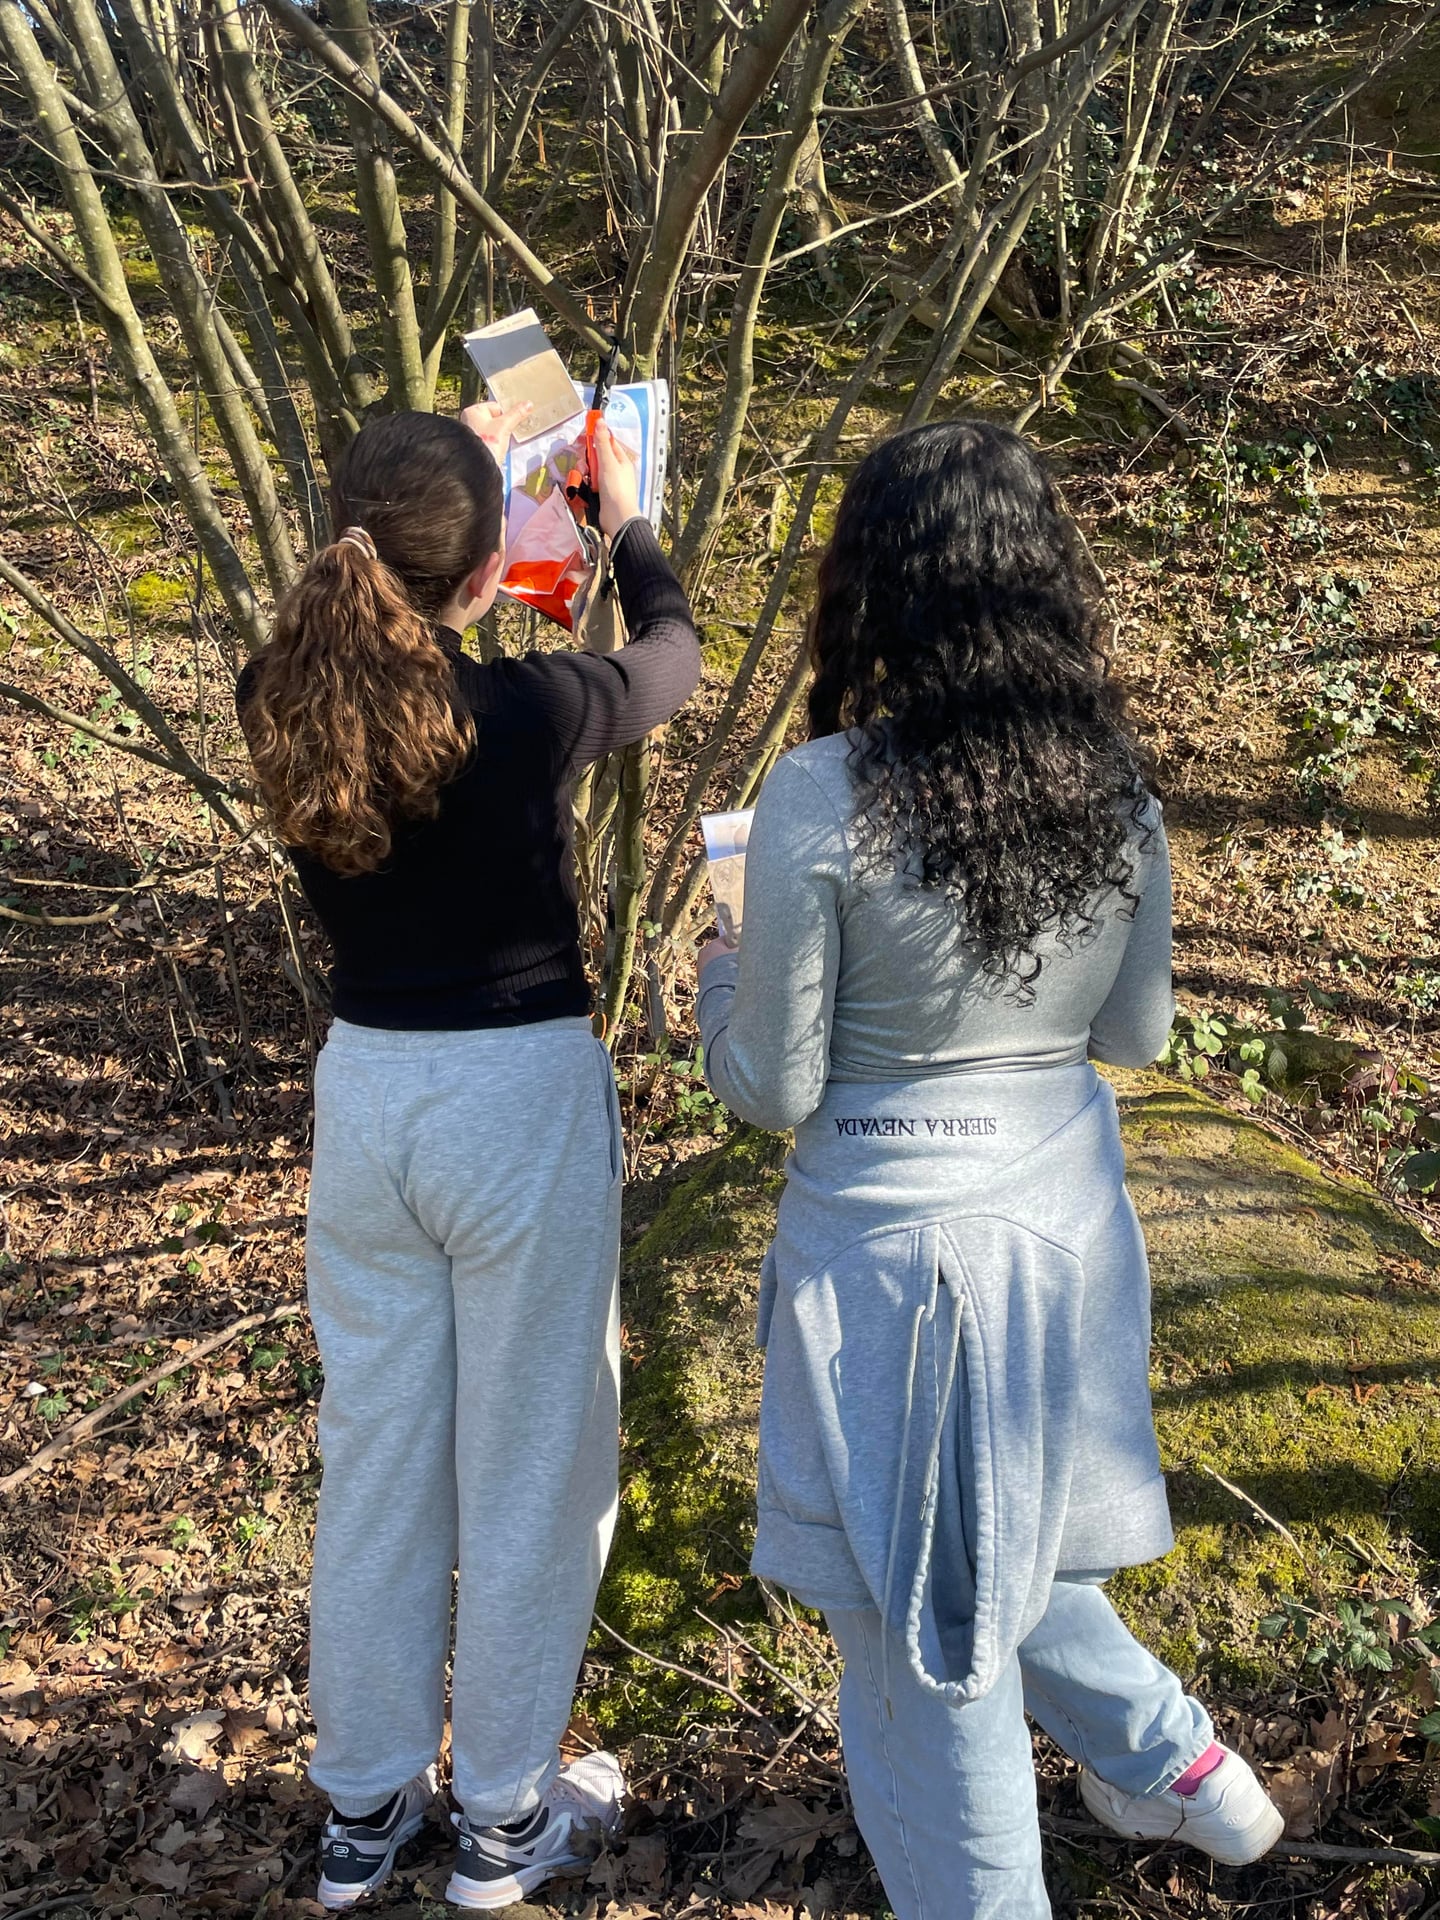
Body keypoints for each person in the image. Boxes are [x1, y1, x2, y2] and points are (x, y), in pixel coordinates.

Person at [693, 421, 1283, 1919]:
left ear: (869, 588)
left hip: (890, 1264)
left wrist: (709, 973)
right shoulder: (1116, 788)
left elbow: (774, 1088)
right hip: (1066, 1235)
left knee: (921, 1651)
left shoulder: (823, 794)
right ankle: (1181, 1768)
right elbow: (1137, 1034)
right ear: (1044, 583)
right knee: (979, 1551)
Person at [237, 404, 701, 1911]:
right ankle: (505, 1815)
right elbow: (674, 664)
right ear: (495, 571)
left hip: (369, 1102)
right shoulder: (527, 713)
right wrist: (618, 521)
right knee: (530, 1464)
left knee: (377, 1459)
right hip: (515, 1102)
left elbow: (384, 592)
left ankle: (365, 1807)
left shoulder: (278, 695)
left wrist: (471, 484)